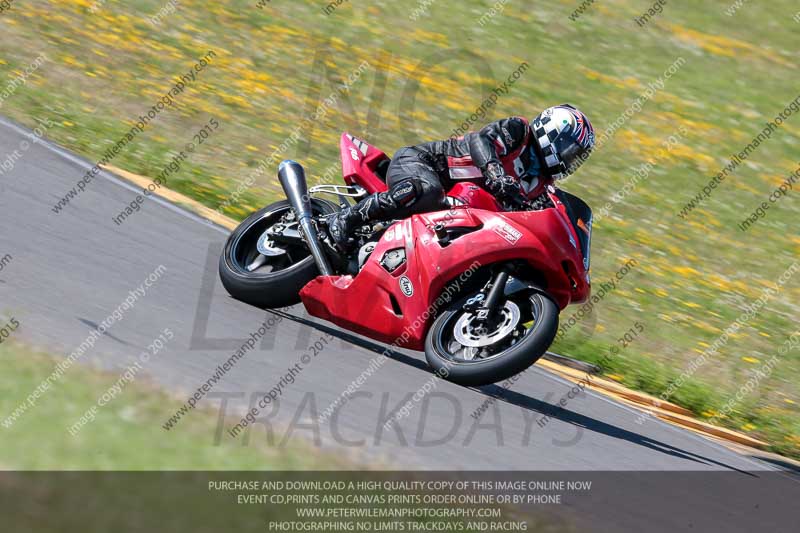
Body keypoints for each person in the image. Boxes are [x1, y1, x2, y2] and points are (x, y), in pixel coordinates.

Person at [327, 104, 595, 249]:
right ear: (553, 133)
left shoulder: (540, 186)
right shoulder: (519, 131)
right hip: (423, 164)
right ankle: (347, 217)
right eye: (570, 150)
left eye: (576, 156)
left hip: (455, 207)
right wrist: (494, 172)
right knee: (428, 191)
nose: (570, 159)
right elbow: (482, 141)